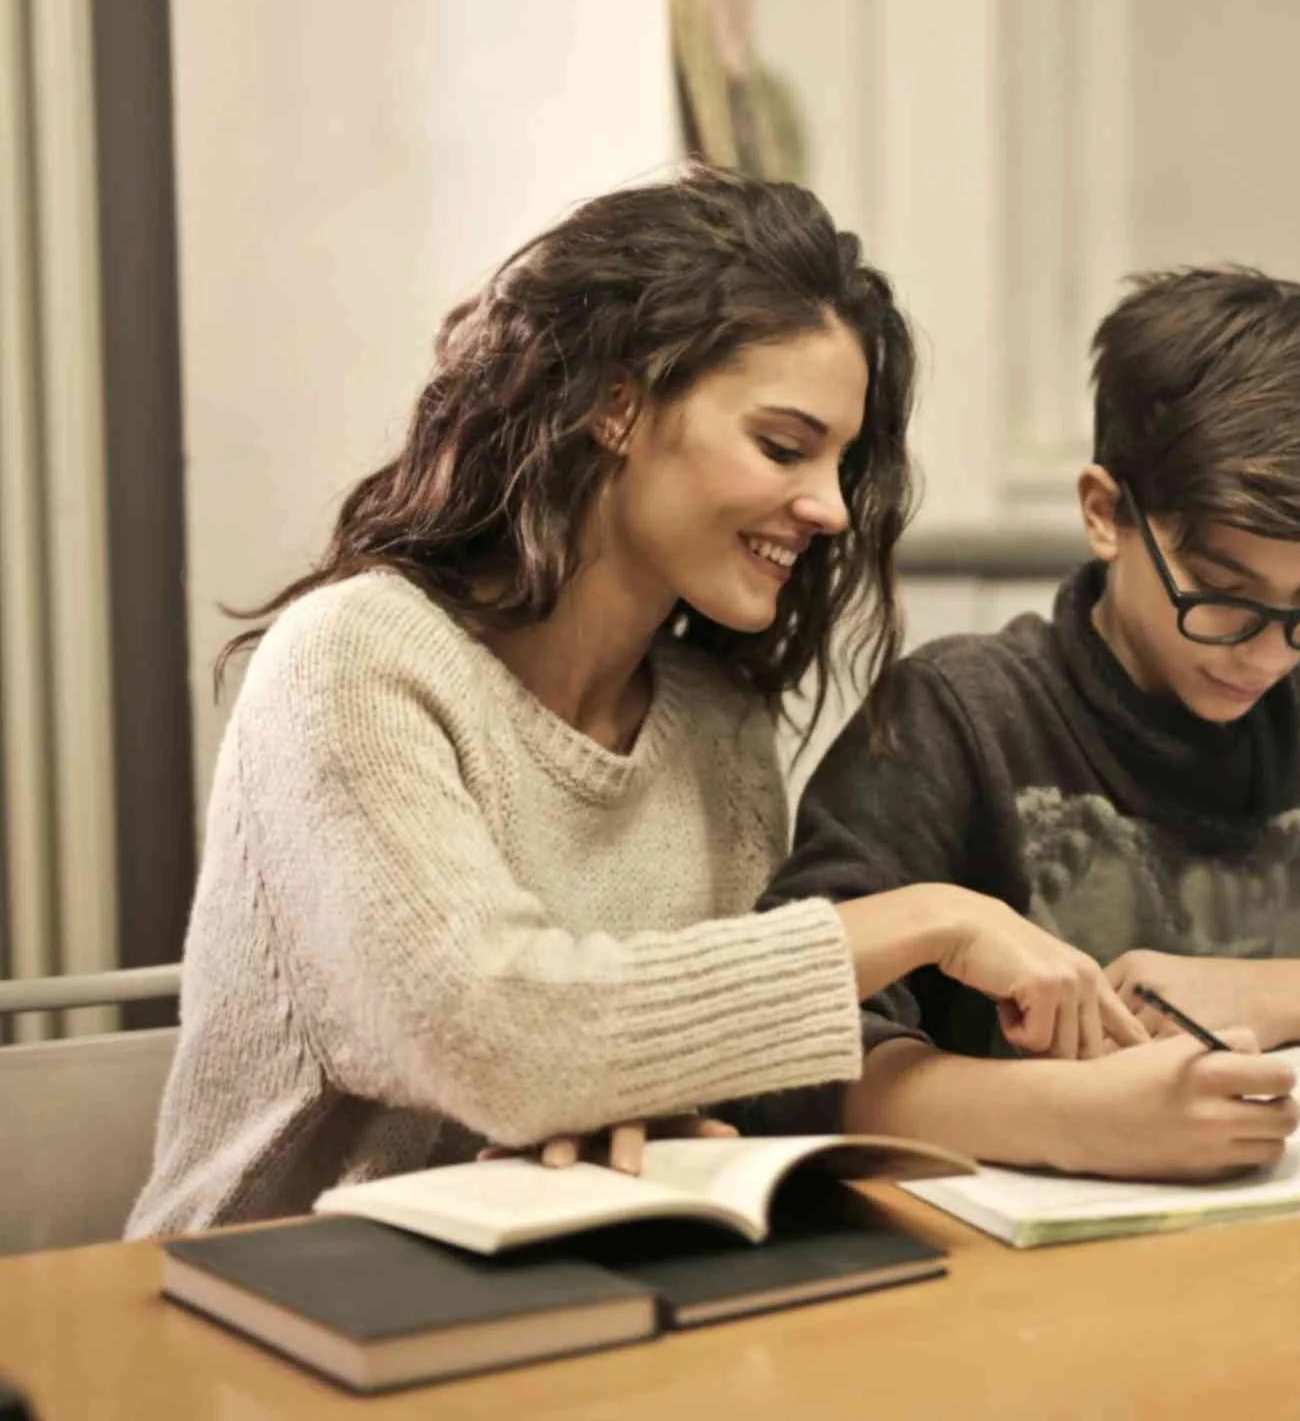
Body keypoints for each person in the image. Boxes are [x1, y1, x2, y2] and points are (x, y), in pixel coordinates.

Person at [129, 166, 1142, 1237]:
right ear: (617, 402)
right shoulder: (353, 662)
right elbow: (500, 1037)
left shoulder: (715, 724)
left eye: (844, 463)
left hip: (569, 1300)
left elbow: (670, 1075)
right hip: (260, 1315)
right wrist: (928, 916)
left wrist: (652, 1116)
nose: (830, 507)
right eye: (786, 446)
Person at [763, 266, 1300, 1182]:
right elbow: (775, 1048)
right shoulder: (959, 719)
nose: (1267, 656)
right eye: (1224, 599)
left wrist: (1264, 995)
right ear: (1106, 514)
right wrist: (1067, 1118)